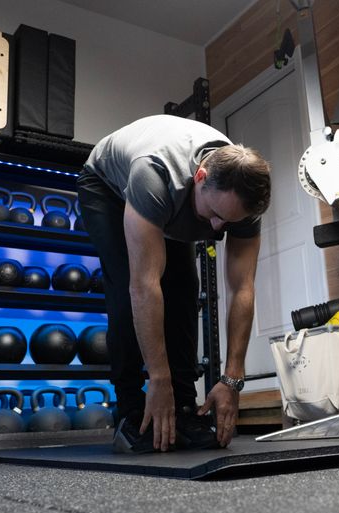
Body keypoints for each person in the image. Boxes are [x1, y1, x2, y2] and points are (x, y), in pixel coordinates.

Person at [76, 114, 271, 453]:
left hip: (179, 198)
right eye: (214, 213)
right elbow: (143, 286)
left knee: (182, 292)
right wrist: (158, 376)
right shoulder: (154, 175)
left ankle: (183, 409)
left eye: (228, 221)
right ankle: (130, 411)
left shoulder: (241, 200)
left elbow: (242, 288)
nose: (217, 226)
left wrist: (231, 380)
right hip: (107, 187)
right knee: (127, 289)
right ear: (200, 177)